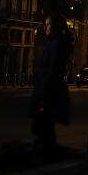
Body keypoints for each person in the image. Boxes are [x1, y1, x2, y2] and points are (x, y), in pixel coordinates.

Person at [30, 13, 73, 155]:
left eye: (48, 25)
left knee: (43, 122)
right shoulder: (56, 43)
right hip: (48, 87)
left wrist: (45, 88)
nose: (45, 28)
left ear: (56, 27)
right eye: (45, 25)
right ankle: (47, 148)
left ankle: (47, 151)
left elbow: (54, 67)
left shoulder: (57, 44)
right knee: (43, 123)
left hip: (49, 88)